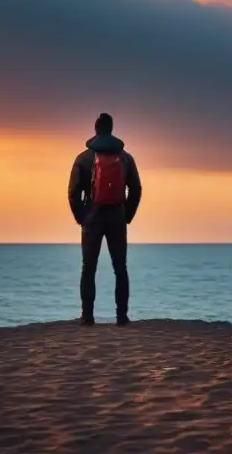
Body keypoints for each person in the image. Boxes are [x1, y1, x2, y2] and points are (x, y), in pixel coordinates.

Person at [67, 113, 142, 326]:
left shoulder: (83, 158)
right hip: (117, 216)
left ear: (96, 129)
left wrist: (82, 217)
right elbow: (136, 188)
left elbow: (73, 191)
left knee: (88, 267)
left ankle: (87, 316)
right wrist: (127, 215)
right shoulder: (126, 157)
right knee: (120, 267)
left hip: (93, 217)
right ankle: (122, 316)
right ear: (112, 128)